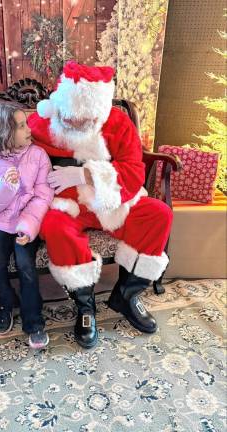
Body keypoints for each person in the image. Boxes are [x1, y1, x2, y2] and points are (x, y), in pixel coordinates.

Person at [28, 61, 173, 349]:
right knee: (54, 225)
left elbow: (133, 170)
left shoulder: (118, 123)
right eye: (70, 119)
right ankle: (85, 307)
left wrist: (86, 174)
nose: (75, 125)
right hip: (68, 204)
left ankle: (126, 296)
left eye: (84, 121)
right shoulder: (40, 122)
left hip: (110, 201)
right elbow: (8, 150)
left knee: (159, 213)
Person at [0, 104, 54, 349]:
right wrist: (4, 188)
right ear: (4, 133)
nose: (29, 129)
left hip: (28, 220)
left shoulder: (38, 155)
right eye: (22, 125)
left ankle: (33, 321)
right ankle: (5, 304)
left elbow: (43, 195)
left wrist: (27, 226)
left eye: (26, 123)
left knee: (26, 265)